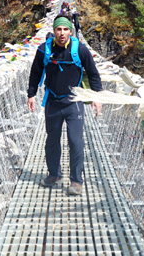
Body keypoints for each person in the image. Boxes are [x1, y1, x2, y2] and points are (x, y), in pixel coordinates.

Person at [27, 14, 102, 195]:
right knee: (52, 140)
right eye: (59, 29)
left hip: (73, 102)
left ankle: (76, 181)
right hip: (53, 101)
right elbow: (35, 73)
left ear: (70, 31)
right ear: (53, 31)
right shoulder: (44, 50)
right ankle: (54, 174)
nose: (62, 33)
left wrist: (96, 97)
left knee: (75, 141)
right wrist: (31, 94)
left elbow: (93, 74)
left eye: (66, 29)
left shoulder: (80, 50)